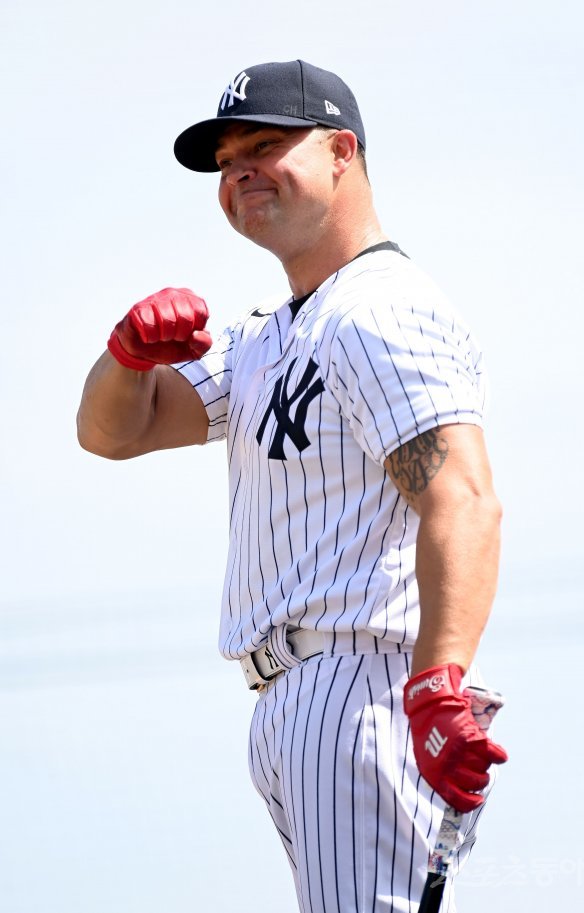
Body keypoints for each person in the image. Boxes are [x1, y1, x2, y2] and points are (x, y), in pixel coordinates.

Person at [77, 59, 508, 913]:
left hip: (363, 684)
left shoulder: (380, 309)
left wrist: (438, 680)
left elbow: (462, 497)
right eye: (226, 160)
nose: (239, 171)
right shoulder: (268, 335)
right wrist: (125, 357)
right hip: (300, 699)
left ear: (342, 151)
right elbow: (110, 432)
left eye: (265, 145)